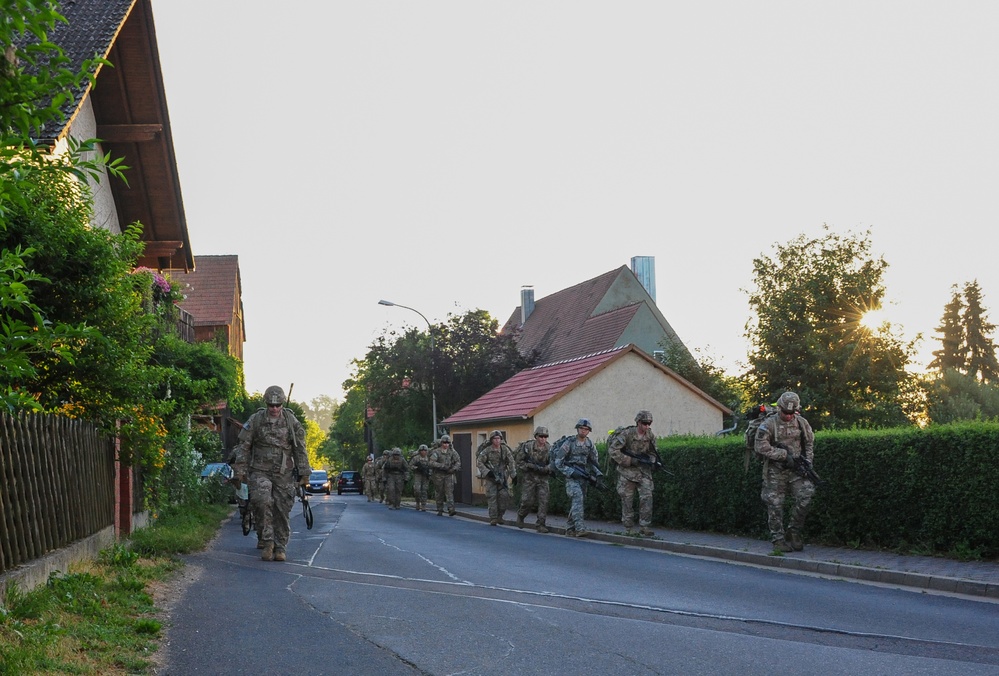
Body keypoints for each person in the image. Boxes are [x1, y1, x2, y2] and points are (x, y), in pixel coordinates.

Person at [231, 385, 310, 562]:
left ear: (282, 404)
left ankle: (280, 546)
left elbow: (300, 449)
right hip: (260, 470)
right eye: (271, 405)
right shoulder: (256, 420)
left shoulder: (291, 421)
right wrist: (240, 471)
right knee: (261, 502)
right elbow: (244, 446)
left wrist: (304, 473)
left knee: (282, 508)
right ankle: (267, 543)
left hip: (284, 472)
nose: (274, 409)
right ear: (266, 404)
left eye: (277, 405)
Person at [754, 391, 816, 552]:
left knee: (806, 495)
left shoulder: (802, 423)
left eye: (792, 413)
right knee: (775, 504)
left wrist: (807, 463)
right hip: (776, 470)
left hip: (797, 469)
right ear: (779, 408)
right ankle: (778, 539)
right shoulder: (768, 424)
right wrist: (782, 455)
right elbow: (760, 446)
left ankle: (793, 531)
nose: (788, 416)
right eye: (785, 412)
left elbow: (809, 444)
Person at [608, 410, 658, 536]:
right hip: (627, 472)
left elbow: (654, 452)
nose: (646, 426)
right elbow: (613, 450)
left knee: (647, 497)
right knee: (627, 500)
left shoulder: (650, 436)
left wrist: (651, 461)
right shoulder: (627, 434)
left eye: (649, 423)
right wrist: (629, 460)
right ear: (638, 422)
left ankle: (644, 526)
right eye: (644, 423)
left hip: (643, 472)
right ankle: (628, 527)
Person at [554, 418, 601, 537]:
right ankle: (580, 529)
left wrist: (598, 474)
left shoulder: (590, 444)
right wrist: (570, 471)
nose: (583, 431)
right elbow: (558, 462)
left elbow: (593, 462)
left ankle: (570, 529)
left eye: (586, 429)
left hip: (583, 476)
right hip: (571, 477)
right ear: (577, 429)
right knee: (578, 498)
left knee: (578, 502)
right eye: (581, 428)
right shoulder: (569, 443)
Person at [514, 426, 553, 533]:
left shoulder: (549, 449)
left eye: (545, 437)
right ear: (536, 436)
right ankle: (521, 515)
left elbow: (553, 463)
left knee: (543, 501)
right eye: (541, 436)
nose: (543, 439)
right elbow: (518, 461)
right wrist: (528, 466)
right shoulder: (528, 447)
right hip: (529, 478)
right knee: (527, 501)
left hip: (543, 478)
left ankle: (541, 524)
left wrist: (546, 468)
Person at [476, 431, 516, 526]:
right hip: (491, 479)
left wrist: (513, 475)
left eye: (499, 438)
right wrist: (487, 472)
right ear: (491, 440)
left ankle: (500, 516)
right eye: (495, 439)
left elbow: (511, 462)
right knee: (492, 498)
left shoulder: (505, 450)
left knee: (504, 496)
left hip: (502, 478)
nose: (497, 440)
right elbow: (479, 462)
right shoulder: (487, 451)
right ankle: (493, 518)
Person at [428, 434, 461, 516]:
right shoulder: (437, 452)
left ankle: (451, 509)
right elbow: (431, 462)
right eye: (444, 443)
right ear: (441, 443)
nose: (446, 445)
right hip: (439, 475)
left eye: (447, 443)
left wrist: (453, 469)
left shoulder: (452, 452)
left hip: (449, 474)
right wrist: (441, 466)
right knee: (439, 492)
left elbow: (458, 462)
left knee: (449, 492)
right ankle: (440, 508)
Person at [409, 444, 432, 511]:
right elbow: (410, 466)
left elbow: (432, 466)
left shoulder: (429, 458)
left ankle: (423, 505)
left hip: (425, 476)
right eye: (422, 450)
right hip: (418, 475)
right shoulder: (416, 458)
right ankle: (417, 502)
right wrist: (416, 468)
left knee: (424, 490)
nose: (423, 452)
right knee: (417, 490)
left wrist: (429, 473)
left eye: (425, 450)